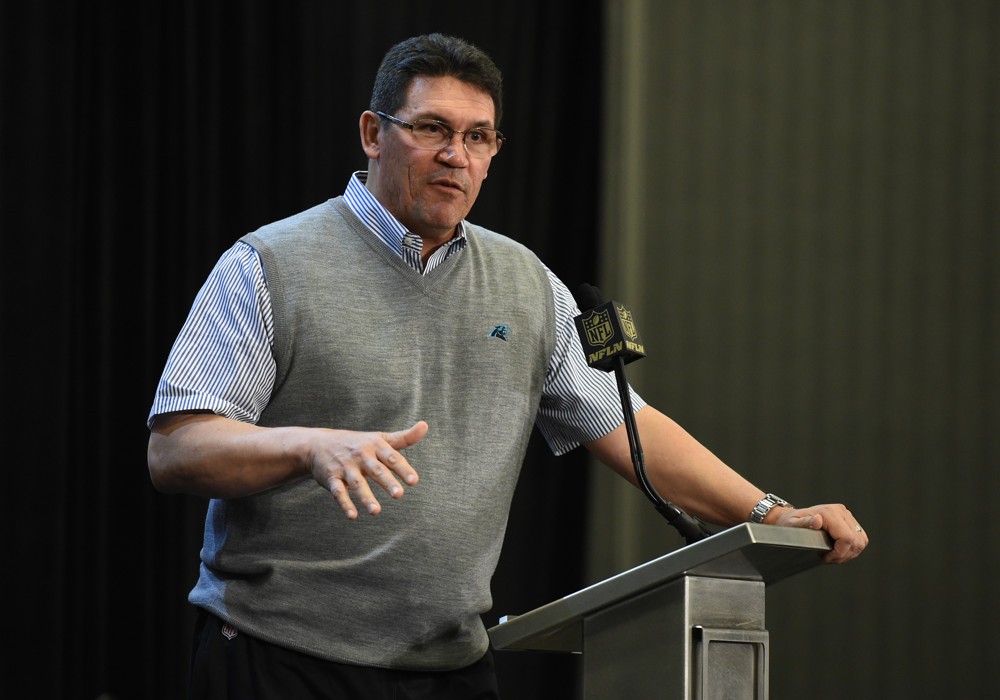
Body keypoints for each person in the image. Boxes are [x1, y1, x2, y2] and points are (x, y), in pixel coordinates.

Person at [147, 32, 868, 699]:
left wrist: (770, 512)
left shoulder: (525, 282)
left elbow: (630, 429)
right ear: (373, 134)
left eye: (477, 136)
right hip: (279, 660)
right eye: (431, 129)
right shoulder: (269, 263)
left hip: (451, 666)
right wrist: (307, 445)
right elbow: (176, 449)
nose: (455, 155)